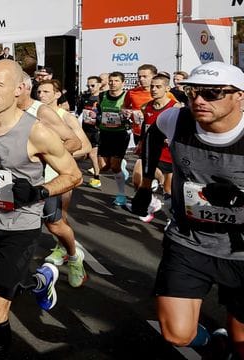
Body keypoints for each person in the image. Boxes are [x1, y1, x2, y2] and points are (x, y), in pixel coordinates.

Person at [0, 60, 82, 359]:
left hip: (19, 227)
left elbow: (73, 174)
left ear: (19, 90)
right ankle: (40, 280)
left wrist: (39, 191)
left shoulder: (38, 132)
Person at [131, 61, 244, 359]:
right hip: (189, 240)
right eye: (192, 91)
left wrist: (238, 198)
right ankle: (212, 344)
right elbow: (153, 133)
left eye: (212, 93)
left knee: (242, 339)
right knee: (176, 334)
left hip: (241, 251)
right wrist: (144, 185)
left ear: (239, 96)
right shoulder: (176, 119)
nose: (199, 100)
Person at [37, 79, 92, 288]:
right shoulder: (35, 113)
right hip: (38, 174)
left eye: (46, 91)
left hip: (59, 174)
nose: (41, 94)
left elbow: (84, 146)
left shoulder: (65, 116)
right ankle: (64, 248)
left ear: (57, 94)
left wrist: (56, 156)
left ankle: (72, 256)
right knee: (52, 221)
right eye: (39, 91)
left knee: (58, 220)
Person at [130, 73, 181, 223]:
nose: (153, 89)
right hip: (149, 152)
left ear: (167, 88)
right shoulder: (146, 106)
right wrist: (140, 142)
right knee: (137, 180)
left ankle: (172, 219)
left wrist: (171, 138)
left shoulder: (176, 107)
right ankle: (151, 202)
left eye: (158, 87)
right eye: (152, 86)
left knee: (168, 190)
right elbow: (146, 128)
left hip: (168, 155)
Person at [97, 71, 131, 206]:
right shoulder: (102, 95)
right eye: (111, 80)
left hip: (120, 134)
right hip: (105, 133)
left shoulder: (126, 97)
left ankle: (121, 194)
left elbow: (133, 113)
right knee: (104, 167)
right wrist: (96, 117)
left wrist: (127, 116)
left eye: (116, 81)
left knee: (115, 167)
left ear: (123, 83)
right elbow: (98, 113)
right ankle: (121, 165)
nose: (112, 83)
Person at [77, 76, 103, 188]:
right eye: (88, 86)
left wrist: (97, 117)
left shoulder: (102, 98)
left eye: (93, 85)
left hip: (97, 130)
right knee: (81, 153)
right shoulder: (84, 97)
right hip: (85, 129)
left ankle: (97, 177)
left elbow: (105, 115)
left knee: (93, 155)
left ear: (99, 85)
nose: (90, 88)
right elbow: (79, 112)